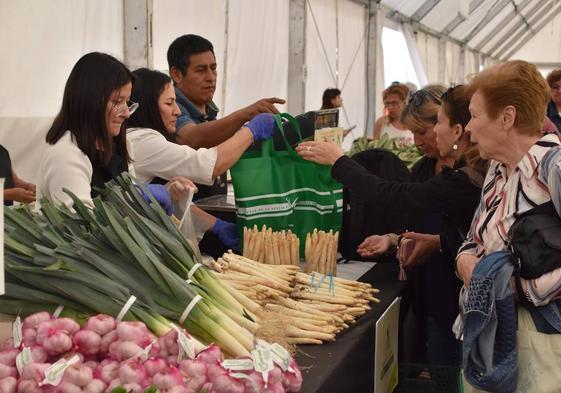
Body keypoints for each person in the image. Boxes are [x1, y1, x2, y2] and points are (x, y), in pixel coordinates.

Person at [296, 85, 487, 366]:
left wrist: (339, 161)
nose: (423, 138)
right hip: (433, 300)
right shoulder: (427, 169)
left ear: (456, 130)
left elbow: (395, 197)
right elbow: (428, 225)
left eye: (430, 128)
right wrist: (397, 239)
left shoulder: (466, 179)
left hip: (460, 303)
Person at [456, 60, 561, 393]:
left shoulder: (553, 166)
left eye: (474, 115)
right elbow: (474, 239)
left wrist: (520, 288)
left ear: (507, 117)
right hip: (489, 333)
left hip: (539, 339)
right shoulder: (497, 170)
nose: (468, 128)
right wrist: (465, 262)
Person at [126, 68, 277, 251]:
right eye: (169, 103)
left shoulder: (142, 139)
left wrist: (216, 225)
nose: (177, 112)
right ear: (148, 105)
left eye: (214, 68)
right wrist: (251, 131)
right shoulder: (143, 140)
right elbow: (208, 164)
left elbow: (173, 202)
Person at [37, 52, 172, 212]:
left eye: (127, 102)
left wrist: (164, 195)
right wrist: (137, 195)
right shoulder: (65, 154)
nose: (126, 113)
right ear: (90, 100)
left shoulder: (122, 145)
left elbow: (131, 206)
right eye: (117, 101)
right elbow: (81, 225)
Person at [167, 34, 285, 200]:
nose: (210, 77)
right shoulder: (172, 109)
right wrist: (244, 117)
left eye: (213, 68)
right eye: (200, 70)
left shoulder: (209, 111)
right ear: (177, 74)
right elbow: (190, 137)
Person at [373, 83, 414, 147]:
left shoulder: (416, 124)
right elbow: (374, 151)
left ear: (406, 103)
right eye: (387, 103)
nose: (390, 107)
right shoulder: (381, 123)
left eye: (394, 103)